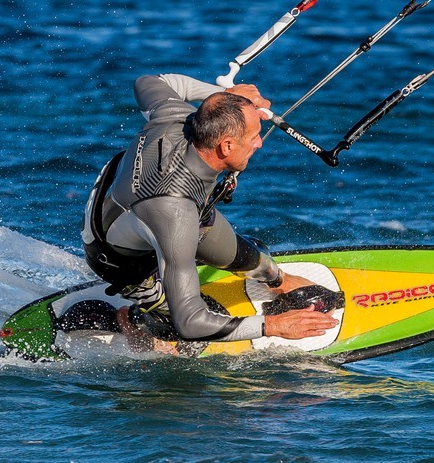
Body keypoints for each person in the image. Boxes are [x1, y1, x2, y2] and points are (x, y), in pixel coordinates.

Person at [80, 73, 340, 346]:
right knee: (183, 328)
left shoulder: (177, 117)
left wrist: (225, 96)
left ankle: (280, 281)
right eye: (254, 136)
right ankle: (128, 321)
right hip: (118, 257)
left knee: (253, 254)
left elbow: (148, 81)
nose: (259, 143)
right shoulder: (175, 213)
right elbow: (191, 322)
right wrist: (273, 326)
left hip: (144, 208)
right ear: (226, 146)